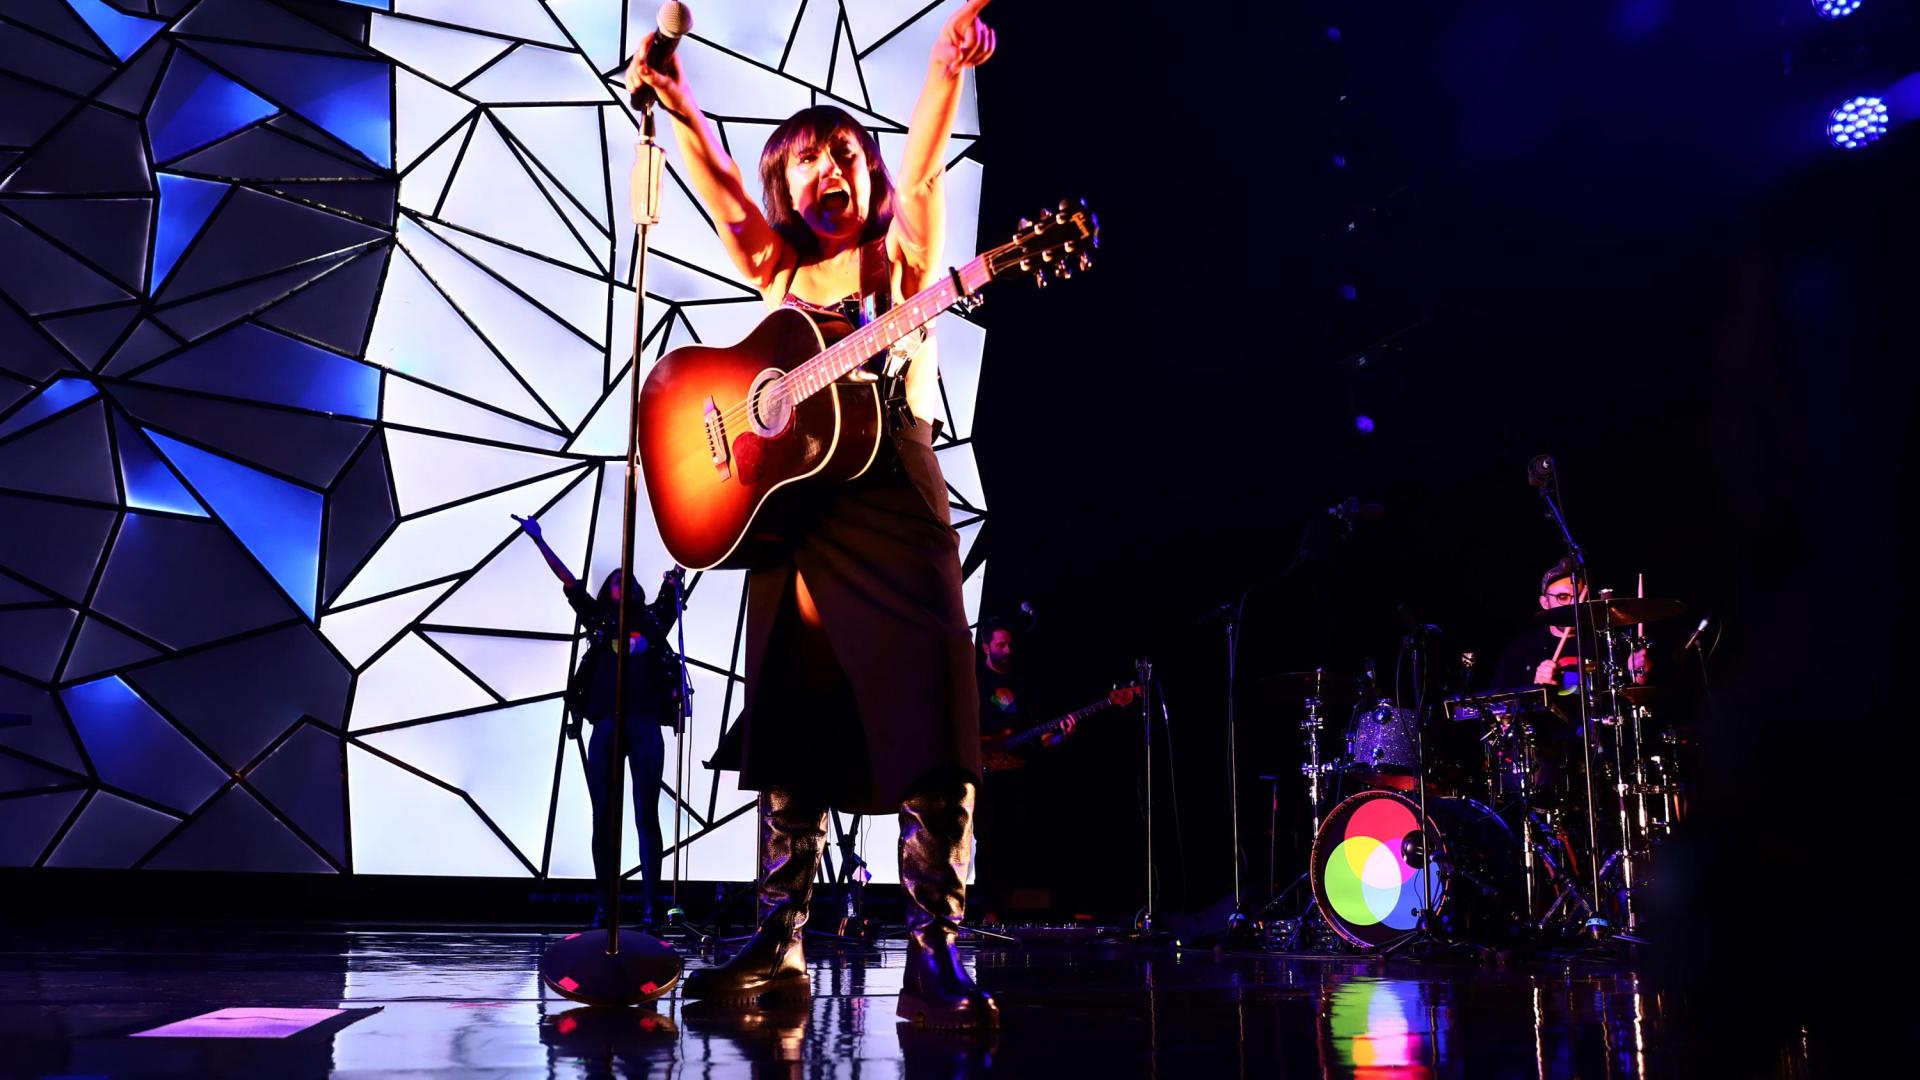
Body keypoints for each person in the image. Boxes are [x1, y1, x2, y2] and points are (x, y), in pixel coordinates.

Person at [625, 0, 1000, 1028]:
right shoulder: (778, 269)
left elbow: (922, 165)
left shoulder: (898, 261)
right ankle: (778, 944)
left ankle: (934, 945)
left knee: (930, 715)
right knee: (793, 728)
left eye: (844, 150)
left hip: (893, 499)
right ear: (783, 183)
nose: (827, 166)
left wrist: (942, 64)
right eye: (803, 157)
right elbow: (709, 177)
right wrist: (675, 92)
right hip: (797, 515)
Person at [513, 514, 684, 927]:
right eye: (615, 580)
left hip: (645, 726)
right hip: (606, 726)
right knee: (603, 817)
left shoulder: (656, 622)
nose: (622, 584)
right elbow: (569, 582)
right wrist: (539, 539)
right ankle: (605, 904)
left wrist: (679, 570)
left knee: (647, 816)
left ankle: (649, 907)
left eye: (628, 579)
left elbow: (684, 567)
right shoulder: (598, 621)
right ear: (607, 591)